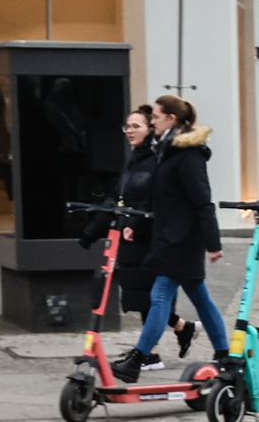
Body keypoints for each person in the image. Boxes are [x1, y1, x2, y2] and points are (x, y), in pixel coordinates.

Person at [109, 95, 228, 384]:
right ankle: (225, 356)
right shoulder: (167, 150)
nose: (153, 122)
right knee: (200, 297)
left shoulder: (187, 155)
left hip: (182, 240)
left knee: (160, 295)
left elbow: (202, 202)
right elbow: (157, 197)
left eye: (157, 117)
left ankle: (138, 359)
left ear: (171, 120)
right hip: (169, 236)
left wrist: (213, 243)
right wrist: (135, 224)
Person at [83, 107, 195, 368]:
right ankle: (181, 329)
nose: (130, 131)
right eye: (127, 126)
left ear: (150, 129)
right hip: (131, 236)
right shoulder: (132, 159)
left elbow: (153, 200)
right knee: (140, 296)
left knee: (150, 296)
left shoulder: (157, 159)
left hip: (149, 236)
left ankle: (148, 353)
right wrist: (92, 230)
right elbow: (119, 197)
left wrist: (136, 223)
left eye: (136, 126)